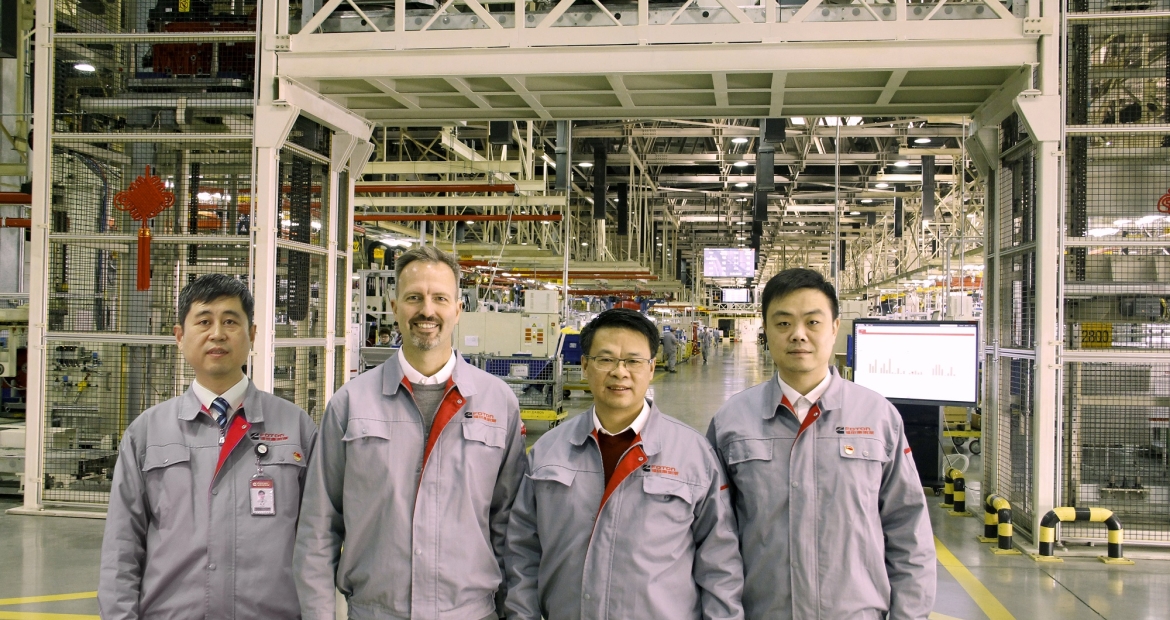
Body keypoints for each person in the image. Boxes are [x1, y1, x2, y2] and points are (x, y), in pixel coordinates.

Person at [295, 245, 527, 620]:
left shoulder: (498, 403)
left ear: (458, 309)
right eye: (414, 298)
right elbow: (318, 527)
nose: (427, 310)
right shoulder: (351, 404)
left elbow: (512, 528)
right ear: (394, 307)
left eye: (440, 298)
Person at [706, 268, 936, 620]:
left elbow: (909, 531)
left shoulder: (878, 417)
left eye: (812, 322)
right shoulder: (732, 422)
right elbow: (715, 539)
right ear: (765, 330)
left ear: (834, 328)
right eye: (783, 324)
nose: (798, 335)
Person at [99, 274, 317, 619]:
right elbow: (121, 548)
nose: (217, 333)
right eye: (204, 321)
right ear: (180, 337)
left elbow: (317, 540)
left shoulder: (296, 427)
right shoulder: (147, 433)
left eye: (231, 321)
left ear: (252, 335)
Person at [505, 309, 743, 620]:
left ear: (651, 366)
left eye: (633, 361)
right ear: (586, 365)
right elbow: (523, 551)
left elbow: (720, 563)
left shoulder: (693, 455)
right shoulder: (548, 451)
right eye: (606, 360)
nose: (620, 372)